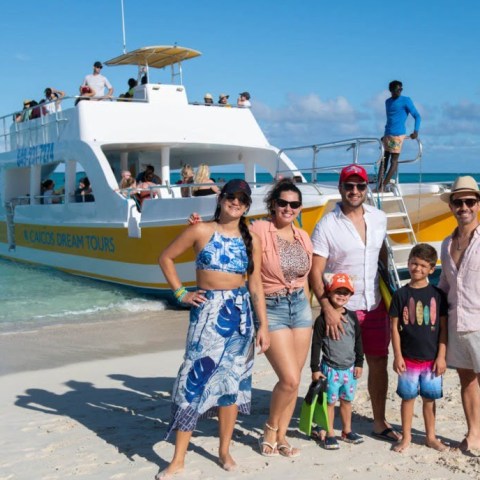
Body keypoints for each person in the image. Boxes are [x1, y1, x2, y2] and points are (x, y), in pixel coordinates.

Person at [157, 179, 269, 479]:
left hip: (240, 316)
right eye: (231, 197)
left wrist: (263, 326)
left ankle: (224, 450)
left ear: (247, 206)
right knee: (191, 382)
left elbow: (255, 285)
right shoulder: (201, 230)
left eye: (242, 200)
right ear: (221, 199)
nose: (236, 203)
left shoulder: (252, 239)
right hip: (207, 313)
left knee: (231, 383)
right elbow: (165, 258)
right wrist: (181, 293)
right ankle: (178, 459)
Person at [309, 164, 401, 442]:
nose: (354, 190)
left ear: (366, 188)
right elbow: (315, 272)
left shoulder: (379, 217)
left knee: (378, 361)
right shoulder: (327, 224)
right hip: (340, 310)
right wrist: (326, 308)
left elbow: (382, 255)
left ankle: (378, 421)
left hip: (374, 304)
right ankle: (323, 424)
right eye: (349, 185)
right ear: (340, 188)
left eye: (360, 186)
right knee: (331, 367)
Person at [249, 178, 313, 458]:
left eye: (294, 204)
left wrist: (309, 308)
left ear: (299, 208)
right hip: (272, 306)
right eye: (283, 203)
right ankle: (270, 429)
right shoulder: (260, 229)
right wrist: (260, 323)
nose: (288, 208)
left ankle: (283, 436)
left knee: (296, 381)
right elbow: (252, 279)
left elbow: (306, 277)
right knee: (287, 379)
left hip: (300, 307)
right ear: (273, 205)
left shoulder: (303, 236)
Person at [390, 244, 448, 453]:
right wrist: (397, 355)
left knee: (429, 399)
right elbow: (394, 328)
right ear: (408, 263)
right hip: (408, 359)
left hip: (432, 361)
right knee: (408, 398)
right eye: (414, 263)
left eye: (424, 266)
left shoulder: (438, 295)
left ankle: (430, 437)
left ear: (432, 269)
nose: (417, 269)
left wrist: (441, 356)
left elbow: (443, 329)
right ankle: (406, 437)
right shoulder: (400, 294)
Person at [438, 175, 480, 452]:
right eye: (458, 202)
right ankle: (474, 435)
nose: (463, 207)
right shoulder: (445, 243)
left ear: (478, 204)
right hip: (456, 321)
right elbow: (444, 284)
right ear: (451, 206)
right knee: (467, 379)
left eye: (469, 201)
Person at [310, 273, 364, 450]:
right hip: (330, 370)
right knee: (330, 403)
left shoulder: (353, 317)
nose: (342, 296)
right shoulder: (321, 319)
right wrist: (315, 368)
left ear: (351, 295)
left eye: (346, 293)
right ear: (329, 292)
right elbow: (316, 344)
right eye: (337, 292)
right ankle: (330, 432)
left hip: (349, 370)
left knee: (347, 401)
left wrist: (359, 363)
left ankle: (347, 430)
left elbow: (358, 341)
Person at [378, 80, 421, 191]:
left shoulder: (406, 100)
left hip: (398, 135)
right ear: (391, 90)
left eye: (401, 89)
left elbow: (417, 116)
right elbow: (390, 119)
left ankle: (382, 186)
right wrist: (384, 135)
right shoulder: (387, 102)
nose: (400, 91)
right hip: (387, 134)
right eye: (398, 89)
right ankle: (379, 184)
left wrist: (415, 131)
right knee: (383, 161)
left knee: (394, 161)